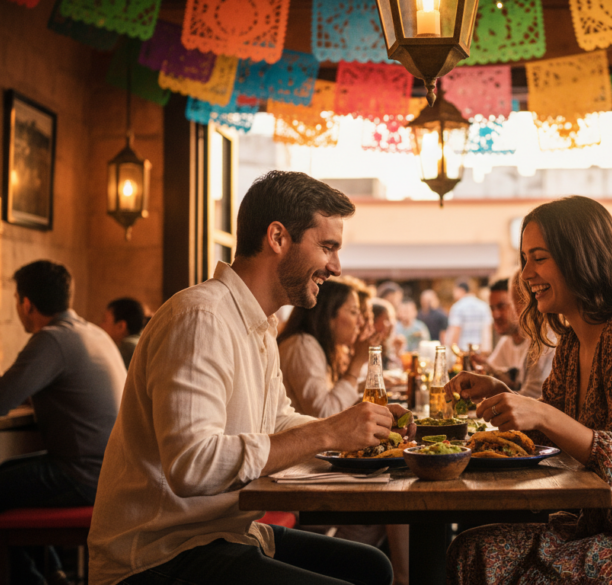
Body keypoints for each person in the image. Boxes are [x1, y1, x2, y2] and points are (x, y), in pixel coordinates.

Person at [87, 171, 400, 585]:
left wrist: (358, 432)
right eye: (327, 247)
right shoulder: (201, 317)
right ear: (277, 237)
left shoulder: (258, 325)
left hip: (226, 534)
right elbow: (191, 465)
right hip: (157, 553)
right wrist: (327, 435)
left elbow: (277, 423)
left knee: (372, 567)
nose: (336, 267)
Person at [444, 196, 612, 584]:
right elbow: (550, 432)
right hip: (599, 524)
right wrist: (505, 395)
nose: (526, 273)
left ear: (581, 257)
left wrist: (541, 413)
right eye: (524, 259)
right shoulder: (571, 342)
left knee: (482, 556)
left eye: (539, 257)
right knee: (472, 549)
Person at [0, 260, 125, 585]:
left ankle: (33, 580)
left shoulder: (51, 339)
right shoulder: (92, 333)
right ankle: (55, 573)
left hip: (82, 477)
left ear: (26, 303)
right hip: (109, 471)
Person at [278, 279, 374, 418]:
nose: (360, 322)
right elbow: (326, 414)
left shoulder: (319, 346)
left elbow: (333, 395)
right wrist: (357, 363)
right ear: (328, 313)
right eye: (353, 312)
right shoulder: (302, 346)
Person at [472, 274, 553, 399]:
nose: (496, 315)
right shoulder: (507, 341)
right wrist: (491, 373)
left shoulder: (544, 338)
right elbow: (518, 385)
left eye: (502, 306)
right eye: (492, 308)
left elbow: (532, 398)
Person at [98, 297, 148, 368]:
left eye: (104, 320)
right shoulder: (139, 342)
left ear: (121, 326)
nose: (100, 325)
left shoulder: (127, 348)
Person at [446, 281, 493, 352]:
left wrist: (451, 350)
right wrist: (486, 352)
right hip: (479, 351)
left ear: (460, 290)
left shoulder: (457, 307)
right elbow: (487, 333)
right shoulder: (483, 306)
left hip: (462, 351)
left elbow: (455, 332)